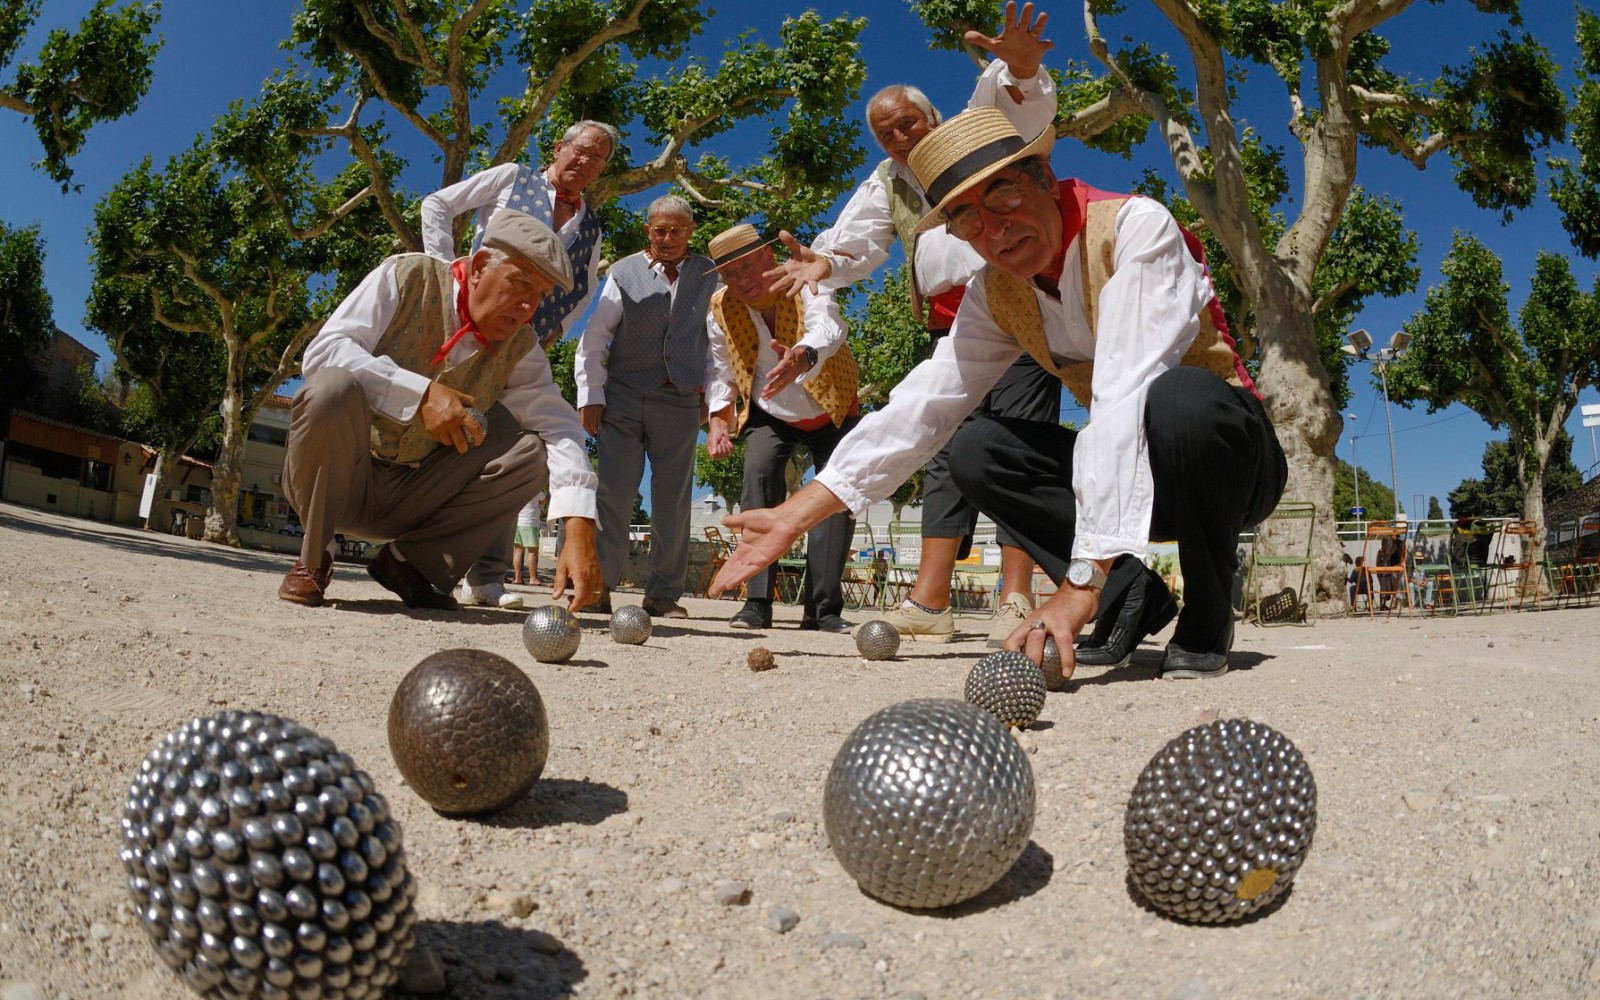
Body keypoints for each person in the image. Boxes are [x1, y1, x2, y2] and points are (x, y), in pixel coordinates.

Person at [710, 107, 1287, 682]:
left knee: (1179, 398)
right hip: (1138, 487)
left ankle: (1207, 615)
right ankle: (1131, 594)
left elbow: (1123, 395)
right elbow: (926, 405)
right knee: (977, 448)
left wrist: (1079, 583)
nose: (995, 230)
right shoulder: (995, 290)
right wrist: (796, 512)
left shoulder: (1136, 227)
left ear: (1042, 176)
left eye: (1004, 198)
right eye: (967, 220)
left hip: (1229, 466)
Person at [764, 1, 1058, 646]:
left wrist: (1022, 73)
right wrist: (826, 263)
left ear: (932, 118)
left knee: (1020, 445)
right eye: (886, 132)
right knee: (945, 454)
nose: (899, 137)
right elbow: (855, 243)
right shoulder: (885, 183)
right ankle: (930, 600)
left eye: (907, 123)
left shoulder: (977, 134)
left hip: (1025, 310)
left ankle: (1016, 595)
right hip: (950, 326)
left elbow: (1013, 103)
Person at [277, 208, 602, 613]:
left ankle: (410, 565)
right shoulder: (406, 276)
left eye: (539, 296)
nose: (527, 308)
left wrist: (578, 522)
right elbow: (324, 353)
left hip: (412, 498)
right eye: (520, 285)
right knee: (332, 385)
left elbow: (561, 427)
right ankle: (315, 554)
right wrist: (420, 395)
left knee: (531, 454)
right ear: (481, 267)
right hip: (337, 482)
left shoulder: (521, 346)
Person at [420, 119, 620, 609]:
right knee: (442, 430)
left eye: (598, 160)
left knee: (513, 445)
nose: (586, 163)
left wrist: (556, 329)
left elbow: (584, 287)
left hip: (520, 344)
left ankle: (487, 576)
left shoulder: (590, 225)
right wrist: (444, 273)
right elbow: (437, 205)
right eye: (582, 151)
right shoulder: (512, 177)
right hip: (464, 324)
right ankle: (421, 559)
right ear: (560, 147)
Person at [703, 223, 862, 632]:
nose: (743, 281)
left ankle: (823, 609)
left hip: (833, 406)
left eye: (749, 266)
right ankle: (756, 603)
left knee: (836, 495)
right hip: (769, 410)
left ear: (768, 258)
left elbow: (829, 327)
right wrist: (718, 418)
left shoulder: (806, 277)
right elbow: (721, 369)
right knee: (757, 478)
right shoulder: (720, 308)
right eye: (731, 274)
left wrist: (803, 356)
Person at [574, 195, 718, 618]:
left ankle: (663, 594)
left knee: (673, 496)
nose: (668, 237)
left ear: (691, 231)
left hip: (679, 397)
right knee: (614, 492)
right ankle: (599, 587)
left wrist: (714, 400)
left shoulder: (711, 275)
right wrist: (591, 395)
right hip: (621, 394)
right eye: (660, 229)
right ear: (648, 231)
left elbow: (715, 344)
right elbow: (596, 336)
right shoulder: (623, 271)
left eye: (676, 230)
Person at [512, 492, 544, 586]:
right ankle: (533, 578)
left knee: (518, 551)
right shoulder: (537, 490)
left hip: (518, 523)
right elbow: (544, 501)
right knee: (533, 551)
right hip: (530, 524)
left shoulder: (519, 490)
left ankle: (517, 577)